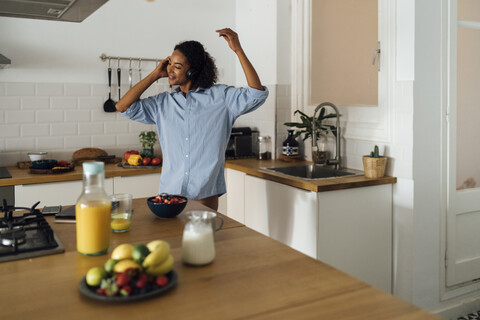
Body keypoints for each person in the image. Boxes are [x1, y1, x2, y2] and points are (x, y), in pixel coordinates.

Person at [116, 28, 269, 210]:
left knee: (203, 238)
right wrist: (155, 74)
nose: (170, 70)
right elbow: (123, 107)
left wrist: (238, 50)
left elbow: (256, 94)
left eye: (177, 66)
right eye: (169, 64)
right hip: (169, 194)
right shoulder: (163, 103)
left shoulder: (221, 98)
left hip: (204, 194)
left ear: (193, 71)